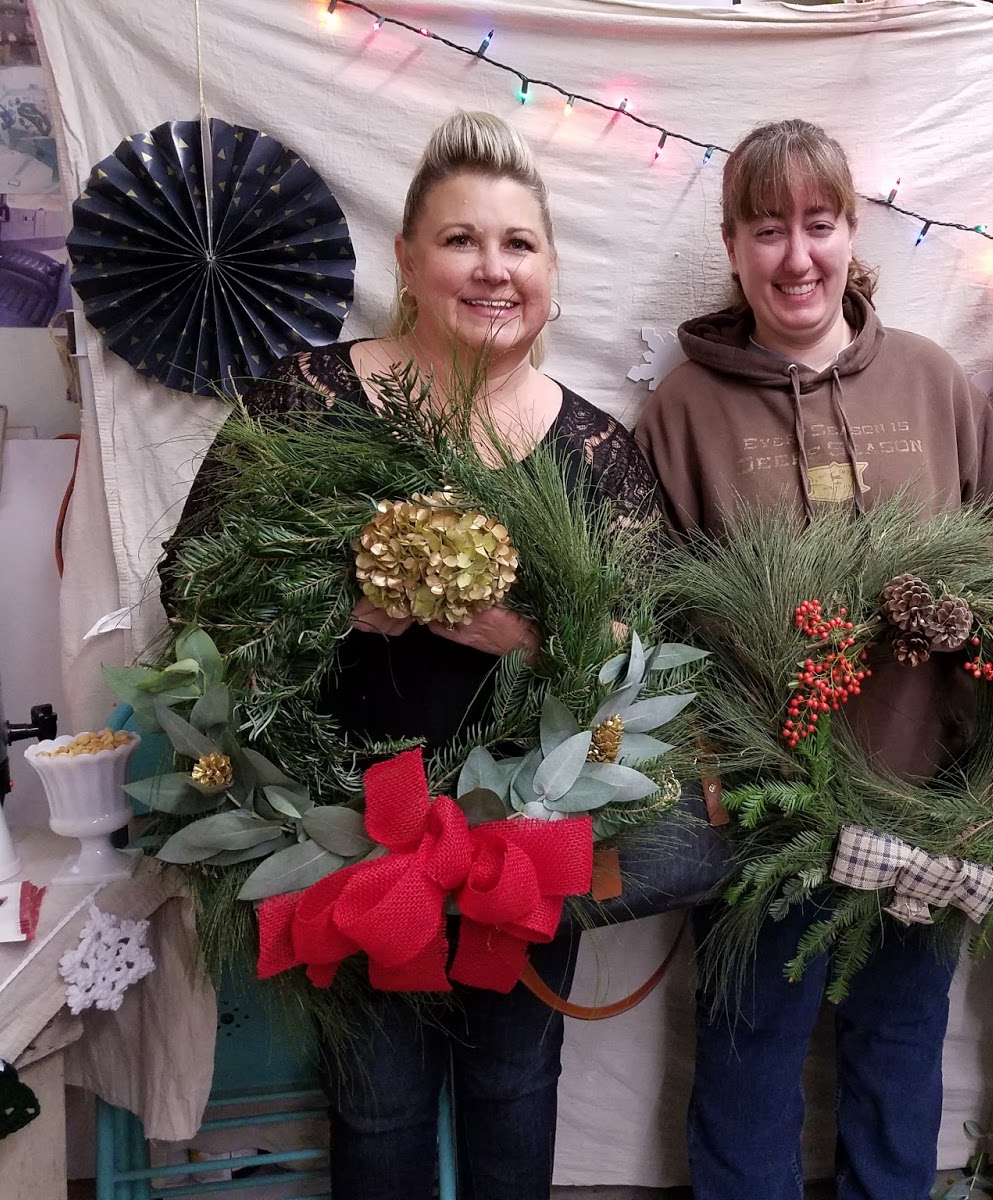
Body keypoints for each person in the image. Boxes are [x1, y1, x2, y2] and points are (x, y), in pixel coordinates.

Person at [164, 111, 653, 1200]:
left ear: (551, 269)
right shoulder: (308, 403)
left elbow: (643, 655)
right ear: (408, 258)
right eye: (461, 240)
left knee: (515, 1086)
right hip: (350, 837)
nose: (492, 268)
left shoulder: (595, 451)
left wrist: (520, 638)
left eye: (519, 244)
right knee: (376, 1103)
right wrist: (341, 609)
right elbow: (194, 589)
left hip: (525, 841)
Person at [636, 118, 993, 1200]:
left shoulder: (931, 382)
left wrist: (974, 678)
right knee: (748, 1053)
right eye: (768, 229)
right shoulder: (681, 410)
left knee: (900, 1050)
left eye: (818, 224)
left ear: (852, 233)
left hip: (925, 804)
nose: (795, 256)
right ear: (730, 245)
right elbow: (648, 621)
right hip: (760, 818)